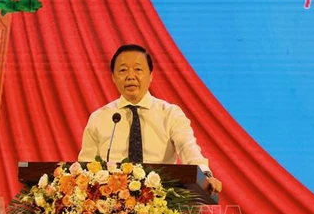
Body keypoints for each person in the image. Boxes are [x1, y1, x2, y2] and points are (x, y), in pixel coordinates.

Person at [77, 44, 222, 194]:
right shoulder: (99, 118)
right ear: (113, 77)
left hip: (161, 202)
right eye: (123, 70)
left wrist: (205, 174)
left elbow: (188, 149)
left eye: (138, 69)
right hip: (110, 205)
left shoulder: (170, 114)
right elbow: (85, 167)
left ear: (151, 75)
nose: (130, 76)